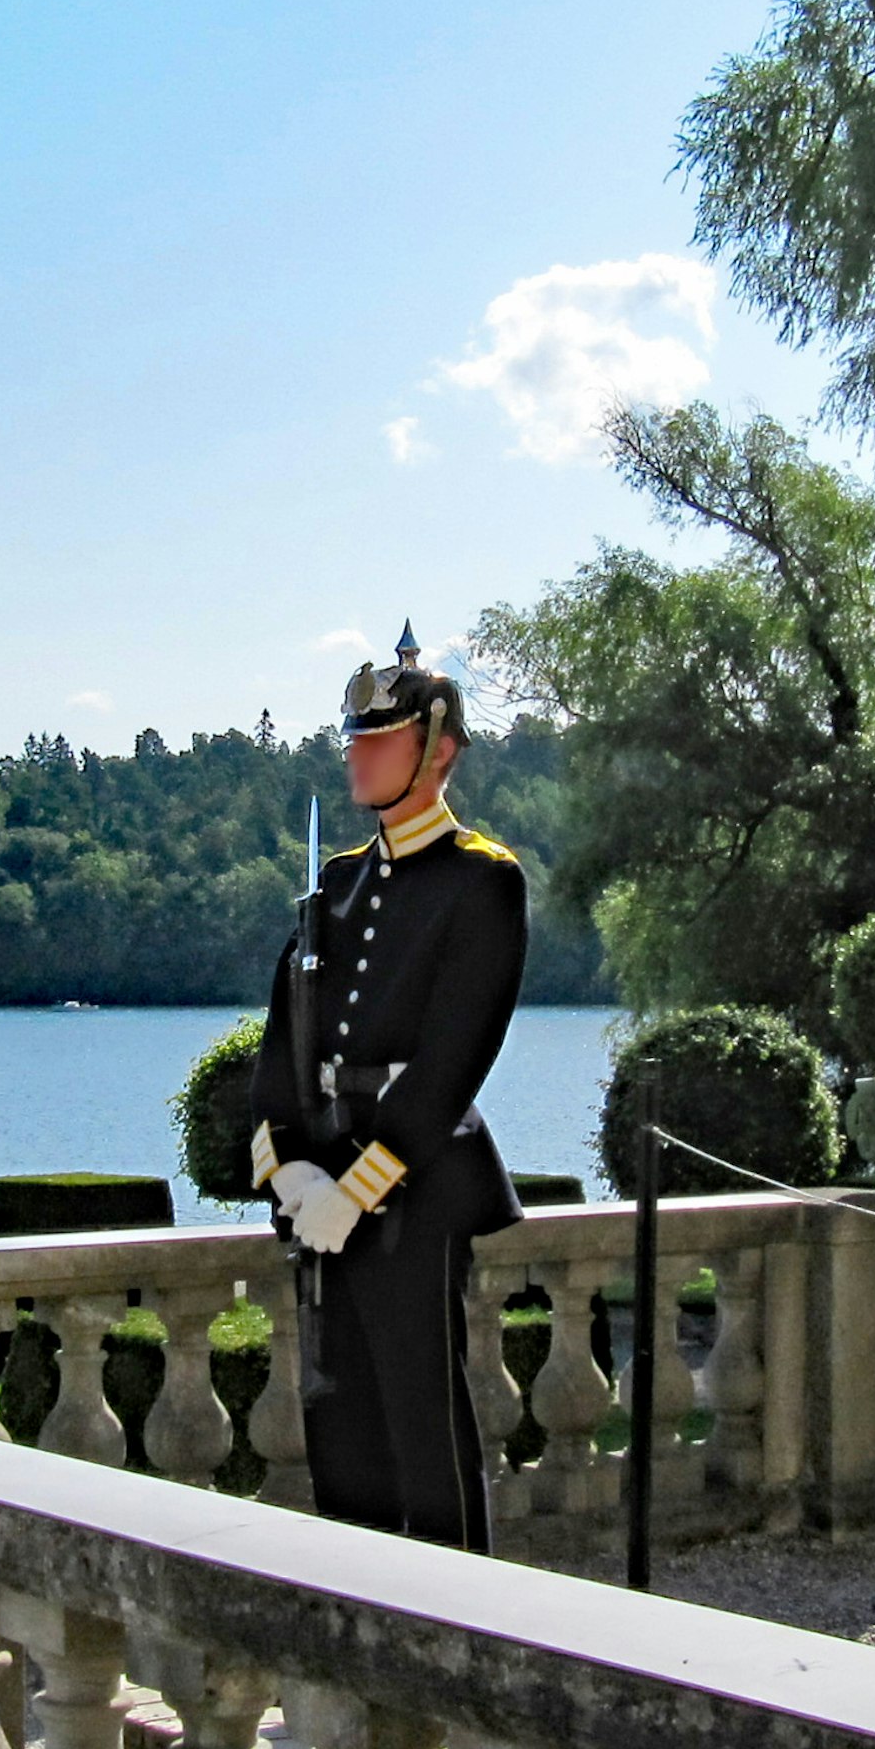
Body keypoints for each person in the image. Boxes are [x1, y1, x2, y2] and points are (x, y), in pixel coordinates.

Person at [248, 627, 526, 1549]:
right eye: (354, 740)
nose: (360, 756)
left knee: (425, 1424)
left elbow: (453, 1059)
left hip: (413, 1193)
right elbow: (283, 1038)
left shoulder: (482, 882)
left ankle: (457, 1627)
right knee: (341, 1427)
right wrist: (288, 1169)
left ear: (437, 751)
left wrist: (357, 1189)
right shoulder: (334, 885)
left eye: (382, 739)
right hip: (320, 1184)